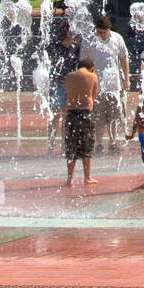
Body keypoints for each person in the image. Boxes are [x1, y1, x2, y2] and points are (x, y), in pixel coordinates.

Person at [81, 13, 130, 153]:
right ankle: (99, 144)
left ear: (109, 29)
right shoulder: (89, 40)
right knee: (98, 116)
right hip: (96, 86)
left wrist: (127, 79)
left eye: (104, 32)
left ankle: (113, 142)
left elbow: (123, 58)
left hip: (114, 85)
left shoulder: (117, 38)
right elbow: (83, 63)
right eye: (99, 32)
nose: (101, 35)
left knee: (113, 116)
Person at [47, 11, 80, 153]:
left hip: (71, 84)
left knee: (67, 116)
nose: (72, 33)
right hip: (57, 82)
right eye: (70, 30)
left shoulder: (76, 48)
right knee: (54, 115)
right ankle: (50, 145)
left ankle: (64, 145)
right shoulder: (55, 45)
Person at [64, 58, 98, 186]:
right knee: (87, 145)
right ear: (91, 68)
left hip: (71, 113)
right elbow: (93, 96)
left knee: (71, 146)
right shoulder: (92, 76)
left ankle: (69, 178)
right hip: (85, 113)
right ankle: (87, 177)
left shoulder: (69, 76)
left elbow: (68, 94)